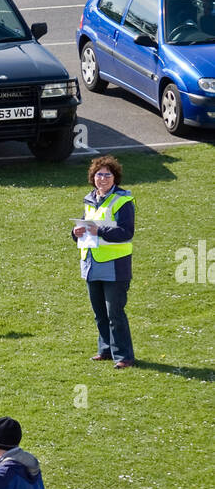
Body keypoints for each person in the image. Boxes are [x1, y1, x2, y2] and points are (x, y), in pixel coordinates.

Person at [73, 154, 135, 369]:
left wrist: (100, 230)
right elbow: (82, 229)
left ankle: (124, 357)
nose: (103, 178)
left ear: (115, 178)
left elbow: (127, 232)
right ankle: (106, 350)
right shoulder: (90, 199)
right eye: (99, 174)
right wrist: (75, 232)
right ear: (93, 177)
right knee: (100, 314)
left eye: (107, 175)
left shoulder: (123, 200)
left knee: (115, 314)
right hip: (91, 264)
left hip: (115, 266)